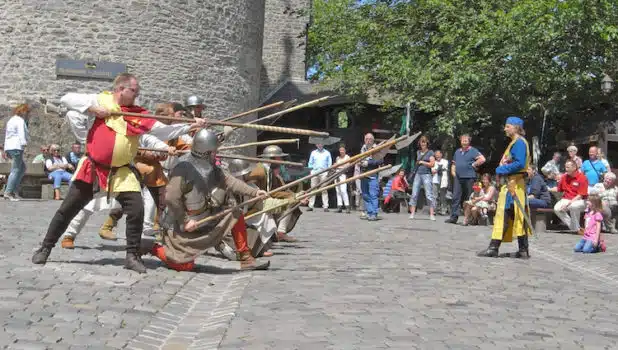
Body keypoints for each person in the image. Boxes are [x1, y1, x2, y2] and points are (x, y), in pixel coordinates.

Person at [31, 73, 207, 273]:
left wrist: (190, 126)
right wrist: (93, 109)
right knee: (68, 209)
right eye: (134, 91)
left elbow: (160, 130)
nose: (137, 94)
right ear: (120, 89)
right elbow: (66, 98)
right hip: (94, 168)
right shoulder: (102, 100)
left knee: (137, 209)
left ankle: (132, 255)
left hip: (122, 172)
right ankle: (46, 247)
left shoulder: (136, 114)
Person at [150, 129, 270, 271]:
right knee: (185, 266)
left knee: (234, 213)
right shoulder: (183, 167)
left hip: (205, 219)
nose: (216, 154)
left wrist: (255, 192)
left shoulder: (212, 167)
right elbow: (171, 197)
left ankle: (246, 258)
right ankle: (153, 248)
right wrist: (185, 220)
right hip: (180, 227)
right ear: (206, 152)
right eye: (214, 151)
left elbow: (230, 181)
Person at [477, 116, 532, 258]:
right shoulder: (515, 143)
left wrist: (501, 170)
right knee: (515, 215)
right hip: (512, 185)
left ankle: (494, 248)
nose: (505, 128)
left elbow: (519, 163)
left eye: (508, 126)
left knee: (504, 215)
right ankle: (523, 250)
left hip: (513, 185)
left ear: (515, 127)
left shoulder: (519, 143)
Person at [446, 134, 485, 224]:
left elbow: (482, 159)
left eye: (466, 140)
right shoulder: (457, 151)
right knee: (455, 196)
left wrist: (474, 164)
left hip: (469, 177)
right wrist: (453, 172)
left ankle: (470, 218)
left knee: (469, 198)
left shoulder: (473, 150)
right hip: (458, 177)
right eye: (462, 140)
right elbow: (454, 163)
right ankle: (453, 217)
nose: (464, 141)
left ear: (469, 141)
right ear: (460, 141)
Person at [3, 103, 31, 201]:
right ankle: (8, 192)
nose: (28, 114)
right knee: (15, 170)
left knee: (22, 168)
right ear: (23, 111)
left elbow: (7, 135)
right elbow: (21, 133)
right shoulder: (19, 120)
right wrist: (24, 145)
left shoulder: (11, 120)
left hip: (11, 146)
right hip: (17, 147)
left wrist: (6, 149)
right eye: (27, 112)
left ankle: (14, 191)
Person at [552, 159, 588, 232]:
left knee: (573, 206)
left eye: (568, 167)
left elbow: (580, 195)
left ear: (574, 167)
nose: (566, 169)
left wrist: (568, 204)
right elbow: (559, 189)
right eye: (565, 167)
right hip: (566, 198)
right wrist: (547, 189)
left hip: (580, 200)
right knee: (556, 208)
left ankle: (576, 228)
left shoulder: (582, 178)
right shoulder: (564, 177)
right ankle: (574, 227)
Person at [408, 135, 436, 220]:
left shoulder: (430, 152)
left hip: (426, 174)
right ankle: (412, 213)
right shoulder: (418, 152)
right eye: (421, 142)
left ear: (427, 143)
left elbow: (432, 164)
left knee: (429, 194)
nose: (423, 143)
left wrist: (423, 162)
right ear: (419, 143)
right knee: (414, 193)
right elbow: (417, 163)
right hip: (418, 174)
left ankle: (432, 214)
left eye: (424, 142)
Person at [360, 133, 383, 221]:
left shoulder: (377, 148)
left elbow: (380, 161)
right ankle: (369, 212)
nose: (368, 140)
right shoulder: (363, 148)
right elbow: (360, 159)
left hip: (373, 175)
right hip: (363, 174)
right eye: (366, 139)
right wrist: (360, 163)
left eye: (370, 139)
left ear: (373, 140)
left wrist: (368, 163)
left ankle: (374, 213)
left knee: (373, 194)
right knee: (365, 195)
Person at [307, 143, 332, 211]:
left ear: (323, 145)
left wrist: (328, 172)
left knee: (324, 189)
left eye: (321, 144)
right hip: (314, 172)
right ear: (316, 145)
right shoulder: (313, 152)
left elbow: (330, 164)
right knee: (313, 189)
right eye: (318, 144)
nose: (320, 145)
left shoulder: (327, 153)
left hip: (323, 172)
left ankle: (326, 206)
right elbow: (310, 163)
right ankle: (311, 206)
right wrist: (311, 171)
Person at [431, 150, 449, 215]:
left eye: (438, 154)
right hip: (435, 180)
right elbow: (433, 171)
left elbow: (443, 168)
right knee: (434, 196)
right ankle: (434, 210)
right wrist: (438, 169)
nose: (437, 156)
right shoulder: (433, 162)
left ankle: (444, 209)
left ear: (441, 154)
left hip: (443, 180)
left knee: (443, 196)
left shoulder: (445, 161)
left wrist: (437, 169)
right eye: (436, 155)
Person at [334, 146, 351, 213]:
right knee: (338, 191)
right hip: (336, 175)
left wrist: (339, 166)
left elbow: (347, 167)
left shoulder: (347, 157)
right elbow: (335, 166)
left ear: (345, 151)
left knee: (343, 191)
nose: (341, 151)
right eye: (340, 150)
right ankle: (339, 206)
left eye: (342, 150)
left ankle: (347, 206)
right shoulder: (337, 158)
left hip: (343, 175)